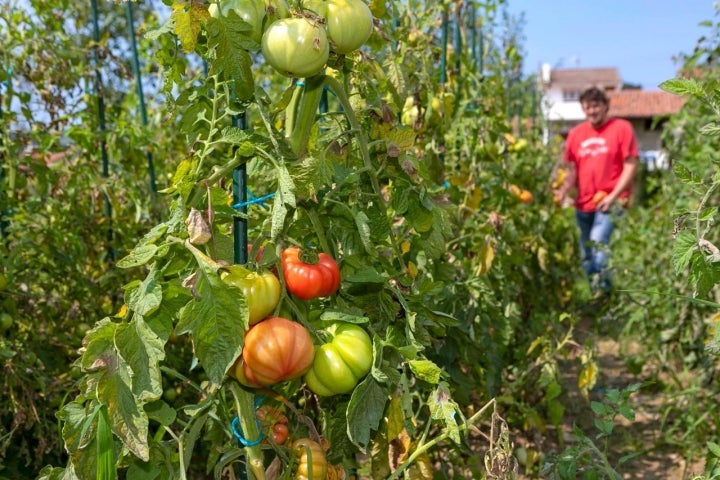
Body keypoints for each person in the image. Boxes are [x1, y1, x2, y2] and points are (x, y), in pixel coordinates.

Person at [553, 87, 639, 296]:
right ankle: (596, 293)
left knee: (599, 247)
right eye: (587, 107)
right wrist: (562, 191)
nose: (592, 111)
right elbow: (571, 170)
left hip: (611, 201)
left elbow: (631, 164)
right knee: (587, 254)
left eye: (596, 106)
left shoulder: (621, 128)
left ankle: (604, 296)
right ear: (583, 110)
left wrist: (613, 196)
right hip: (583, 204)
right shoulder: (576, 134)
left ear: (605, 106)